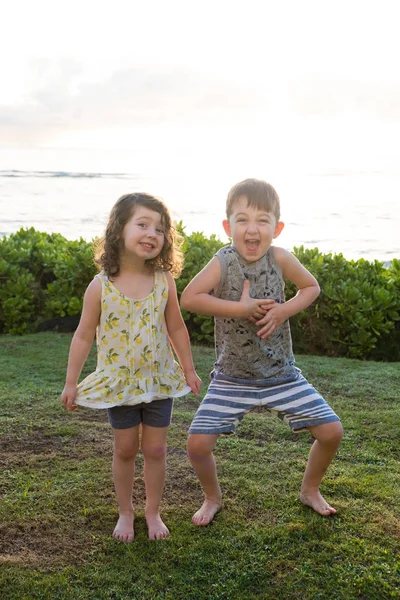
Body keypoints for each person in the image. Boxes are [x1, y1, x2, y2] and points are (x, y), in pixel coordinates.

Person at [180, 178, 343, 526]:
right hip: (232, 377)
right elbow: (190, 298)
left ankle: (309, 490)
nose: (252, 229)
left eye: (262, 220)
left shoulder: (280, 258)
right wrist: (239, 309)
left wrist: (284, 310)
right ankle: (212, 498)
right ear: (228, 227)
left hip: (281, 374)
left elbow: (311, 287)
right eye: (242, 220)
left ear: (277, 227)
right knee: (197, 446)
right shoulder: (223, 261)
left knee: (331, 432)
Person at [61, 192, 201, 542]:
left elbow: (176, 328)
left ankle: (152, 512)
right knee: (125, 450)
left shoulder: (164, 281)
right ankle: (126, 512)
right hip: (118, 386)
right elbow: (82, 336)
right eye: (143, 224)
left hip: (159, 381)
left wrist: (189, 369)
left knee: (155, 450)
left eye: (160, 228)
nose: (153, 233)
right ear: (119, 229)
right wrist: (71, 382)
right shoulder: (100, 287)